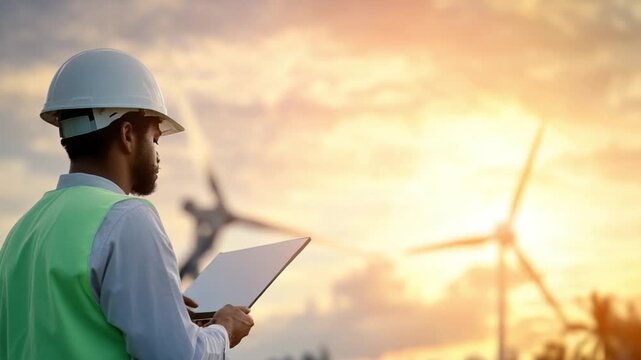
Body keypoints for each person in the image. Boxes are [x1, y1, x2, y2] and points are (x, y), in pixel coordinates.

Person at [0, 49, 253, 359]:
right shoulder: (127, 218)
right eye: (156, 139)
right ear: (128, 134)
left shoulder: (22, 232)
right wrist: (224, 329)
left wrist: (161, 314)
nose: (159, 153)